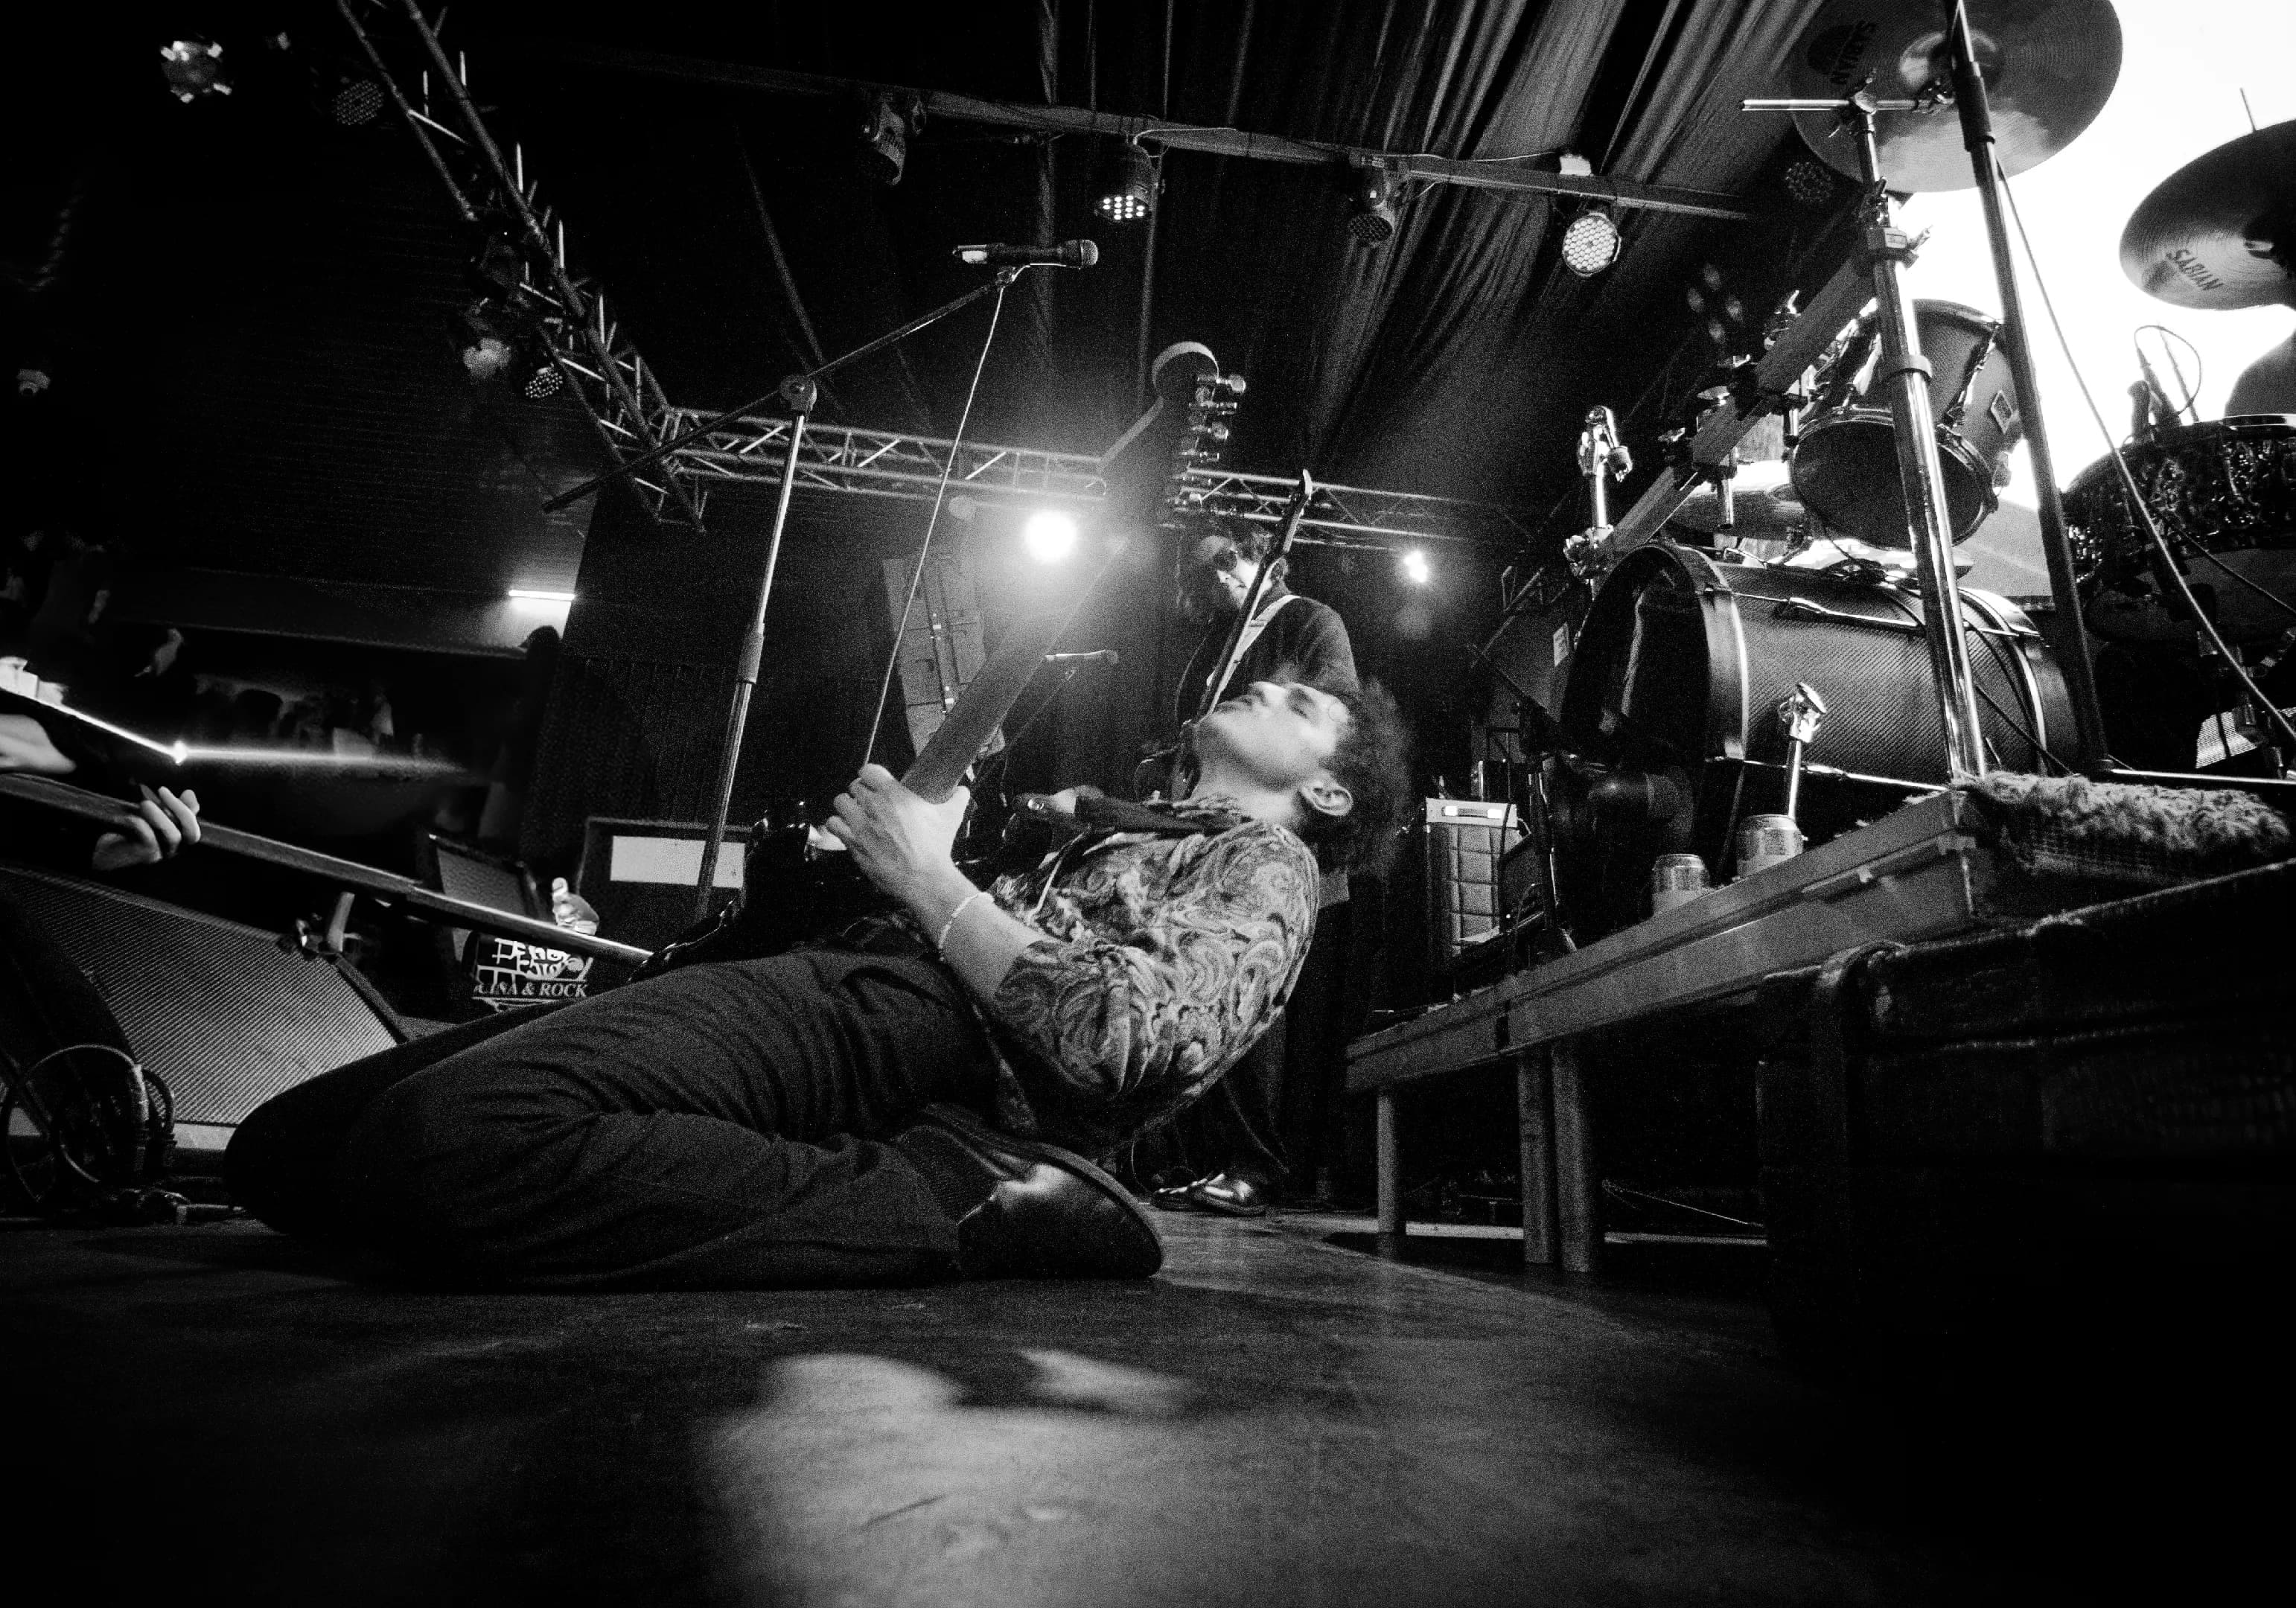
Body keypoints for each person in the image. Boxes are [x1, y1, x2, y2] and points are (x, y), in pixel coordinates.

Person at [223, 675, 1413, 1289]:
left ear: (1329, 791)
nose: (1268, 687)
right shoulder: (1124, 827)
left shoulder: (1269, 867)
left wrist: (926, 876)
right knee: (285, 1153)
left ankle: (948, 1202)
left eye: (1301, 703)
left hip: (926, 1031)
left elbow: (1116, 1036)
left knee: (451, 1141)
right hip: (849, 980)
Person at [1137, 515, 1367, 1219]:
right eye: (1207, 569)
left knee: (1250, 1000)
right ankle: (1199, 1156)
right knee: (1195, 993)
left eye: (1231, 558)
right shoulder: (1215, 645)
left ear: (1266, 555)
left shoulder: (1310, 620)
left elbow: (1335, 719)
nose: (1222, 577)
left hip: (1276, 841)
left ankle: (1255, 1163)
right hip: (1210, 837)